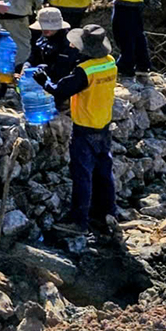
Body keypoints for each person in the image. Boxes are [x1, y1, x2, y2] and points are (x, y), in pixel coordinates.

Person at [45, 26, 117, 235]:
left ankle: (79, 221)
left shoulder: (84, 71)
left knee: (82, 175)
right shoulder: (110, 63)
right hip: (103, 125)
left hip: (85, 128)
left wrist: (44, 82)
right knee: (104, 172)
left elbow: (60, 89)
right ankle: (107, 214)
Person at [29, 7, 80, 83]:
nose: (45, 30)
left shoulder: (68, 43)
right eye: (43, 27)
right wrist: (27, 66)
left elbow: (62, 71)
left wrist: (40, 69)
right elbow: (34, 56)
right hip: (42, 78)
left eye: (50, 27)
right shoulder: (43, 38)